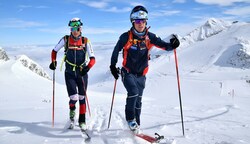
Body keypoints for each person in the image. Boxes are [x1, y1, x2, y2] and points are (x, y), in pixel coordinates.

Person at [110, 5, 180, 132]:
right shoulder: (126, 37)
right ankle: (130, 120)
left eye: (143, 21)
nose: (140, 24)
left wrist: (173, 45)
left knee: (138, 101)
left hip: (142, 74)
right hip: (128, 72)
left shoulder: (150, 37)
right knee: (133, 93)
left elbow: (164, 46)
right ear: (133, 22)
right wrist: (113, 66)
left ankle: (137, 123)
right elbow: (116, 51)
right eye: (137, 21)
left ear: (146, 21)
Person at [49, 17, 95, 130]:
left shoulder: (85, 41)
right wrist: (53, 62)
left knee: (82, 97)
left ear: (81, 28)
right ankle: (72, 111)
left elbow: (93, 58)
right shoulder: (65, 40)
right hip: (69, 72)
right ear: (70, 29)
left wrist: (87, 68)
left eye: (77, 27)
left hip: (82, 72)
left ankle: (82, 120)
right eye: (73, 28)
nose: (75, 30)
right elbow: (54, 51)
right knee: (74, 97)